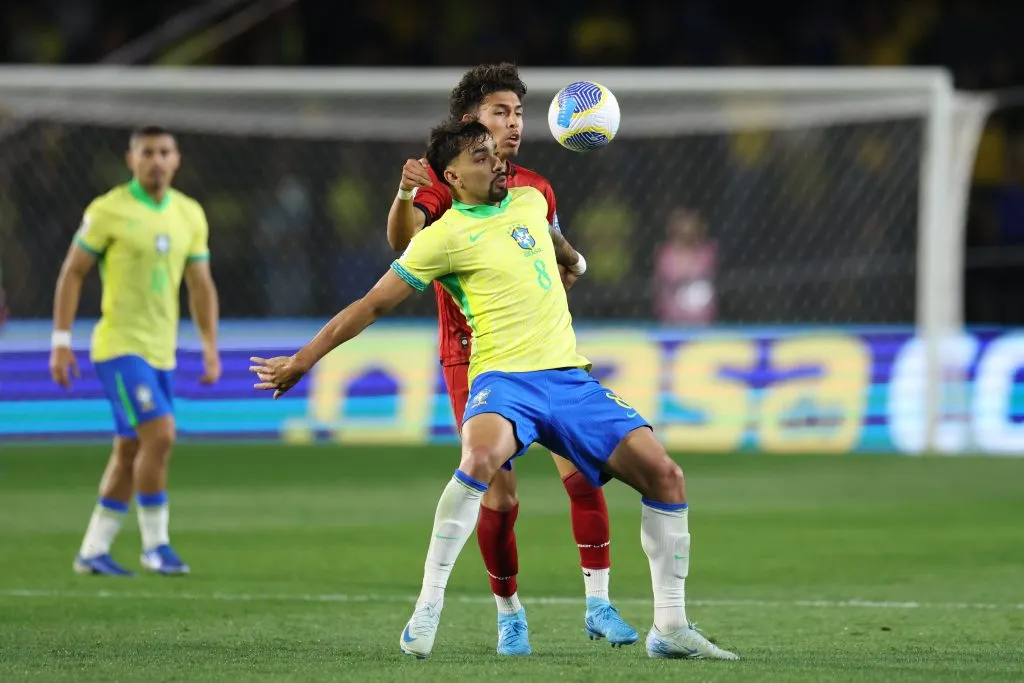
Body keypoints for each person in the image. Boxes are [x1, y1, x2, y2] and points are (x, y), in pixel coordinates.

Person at [250, 120, 739, 662]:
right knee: (481, 458)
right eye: (481, 157)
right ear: (453, 176)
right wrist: (301, 361)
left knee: (667, 477)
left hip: (569, 378)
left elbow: (559, 247)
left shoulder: (530, 200)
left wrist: (573, 262)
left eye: (495, 153)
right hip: (504, 381)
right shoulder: (442, 236)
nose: (497, 161)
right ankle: (429, 604)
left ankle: (669, 628)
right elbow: (371, 305)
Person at [385, 62, 635, 654]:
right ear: (472, 120)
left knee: (583, 474)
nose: (514, 124)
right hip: (473, 359)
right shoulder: (444, 183)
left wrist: (570, 266)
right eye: (501, 112)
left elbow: (551, 253)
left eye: (519, 113)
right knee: (500, 497)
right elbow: (403, 241)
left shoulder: (536, 187)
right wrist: (403, 193)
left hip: (545, 355)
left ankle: (599, 603)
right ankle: (509, 612)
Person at [50, 125, 221, 577]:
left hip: (162, 351)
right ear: (131, 160)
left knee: (130, 450)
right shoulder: (108, 210)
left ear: (177, 158)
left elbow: (199, 284)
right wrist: (61, 341)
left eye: (164, 151)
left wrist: (209, 346)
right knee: (160, 434)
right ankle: (155, 545)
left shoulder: (189, 214)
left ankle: (92, 551)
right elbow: (72, 272)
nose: (156, 160)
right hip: (119, 347)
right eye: (147, 152)